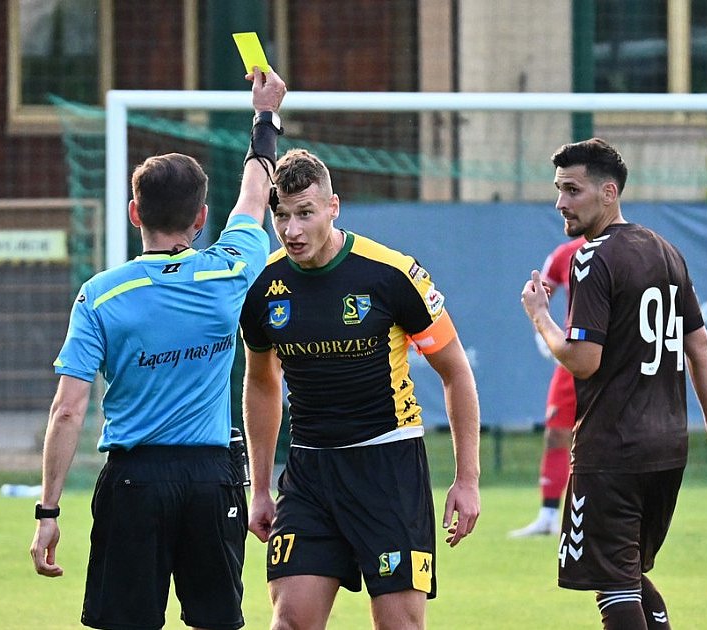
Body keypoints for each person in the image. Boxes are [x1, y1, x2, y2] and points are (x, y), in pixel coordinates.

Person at [28, 68, 287, 630]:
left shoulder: (100, 295)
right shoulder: (231, 269)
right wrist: (265, 117)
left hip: (134, 481)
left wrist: (48, 510)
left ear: (134, 213)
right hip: (212, 478)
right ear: (199, 220)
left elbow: (68, 409)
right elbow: (253, 194)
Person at [520, 137, 707, 630]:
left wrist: (540, 318)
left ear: (608, 193)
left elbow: (583, 360)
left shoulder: (592, 259)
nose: (561, 202)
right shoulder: (666, 252)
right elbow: (701, 349)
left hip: (613, 449)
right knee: (626, 574)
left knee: (612, 582)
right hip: (668, 449)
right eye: (558, 189)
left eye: (572, 190)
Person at [240, 149, 481, 630]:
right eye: (281, 216)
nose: (291, 231)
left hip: (387, 469)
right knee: (290, 622)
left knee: (399, 626)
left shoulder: (392, 275)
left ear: (334, 206)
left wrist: (467, 478)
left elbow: (455, 372)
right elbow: (262, 384)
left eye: (305, 213)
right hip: (310, 474)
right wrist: (262, 487)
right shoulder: (263, 286)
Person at [509, 237, 584, 538]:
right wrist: (543, 333)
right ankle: (548, 516)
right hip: (574, 356)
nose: (565, 204)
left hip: (611, 358)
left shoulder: (624, 247)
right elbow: (540, 293)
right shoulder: (564, 254)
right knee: (556, 433)